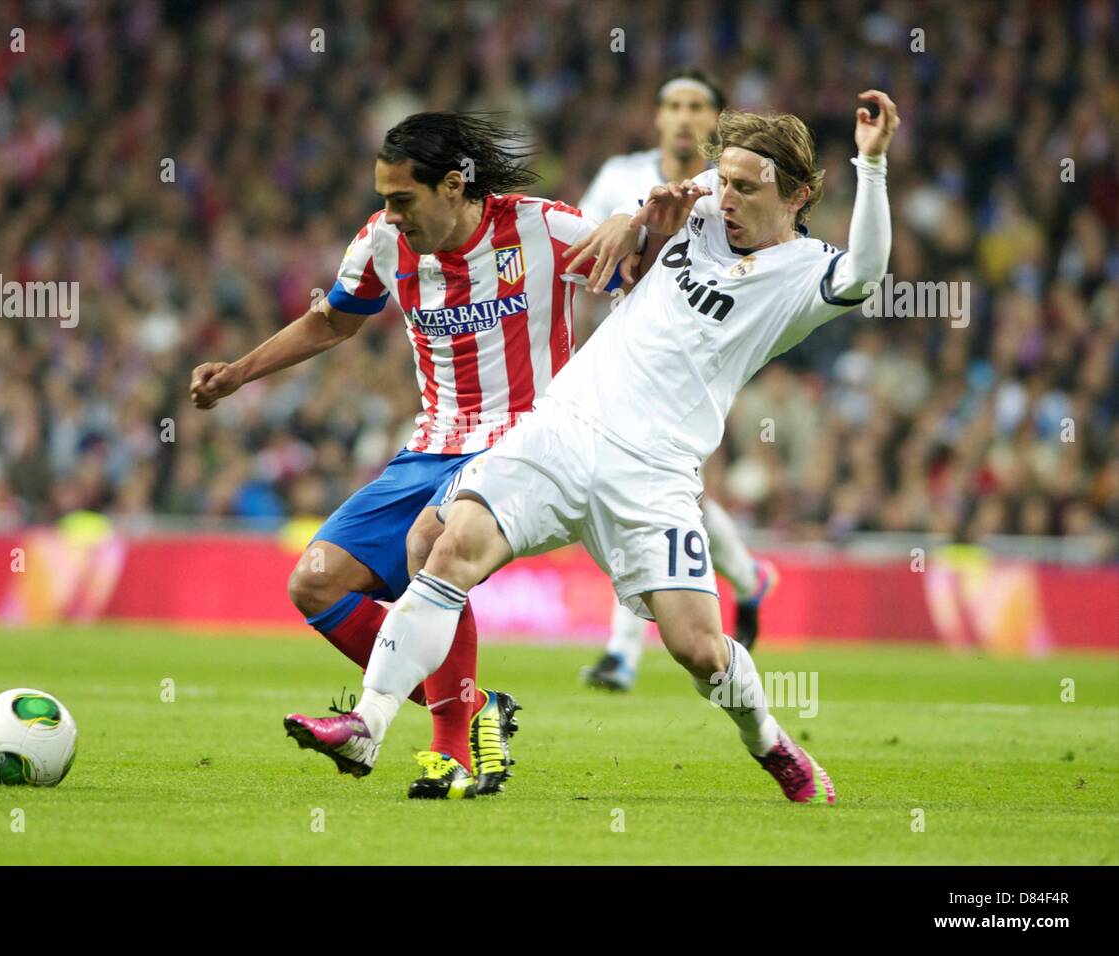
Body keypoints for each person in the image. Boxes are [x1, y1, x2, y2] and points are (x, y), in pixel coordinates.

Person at [284, 91, 900, 804]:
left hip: (655, 471)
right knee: (446, 546)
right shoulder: (698, 208)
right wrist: (632, 217)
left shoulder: (804, 274)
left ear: (795, 195)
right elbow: (655, 199)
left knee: (697, 648)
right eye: (723, 180)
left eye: (746, 187)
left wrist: (873, 164)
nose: (726, 197)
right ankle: (369, 722)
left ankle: (770, 741)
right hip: (564, 426)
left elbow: (867, 273)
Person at [192, 112, 617, 799]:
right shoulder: (383, 243)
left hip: (525, 440)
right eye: (384, 199)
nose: (390, 214)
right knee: (317, 581)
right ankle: (478, 710)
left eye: (402, 199)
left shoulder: (546, 228)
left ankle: (443, 753)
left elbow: (644, 277)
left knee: (437, 544)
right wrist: (241, 372)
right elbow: (333, 319)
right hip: (430, 448)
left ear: (453, 185)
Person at [577, 68, 777, 693]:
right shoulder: (619, 176)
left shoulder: (735, 186)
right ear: (658, 118)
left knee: (667, 494)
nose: (685, 117)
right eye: (674, 105)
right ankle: (744, 581)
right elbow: (582, 251)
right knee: (659, 494)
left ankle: (625, 650)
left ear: (717, 122)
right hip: (629, 353)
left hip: (701, 362)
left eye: (698, 106)